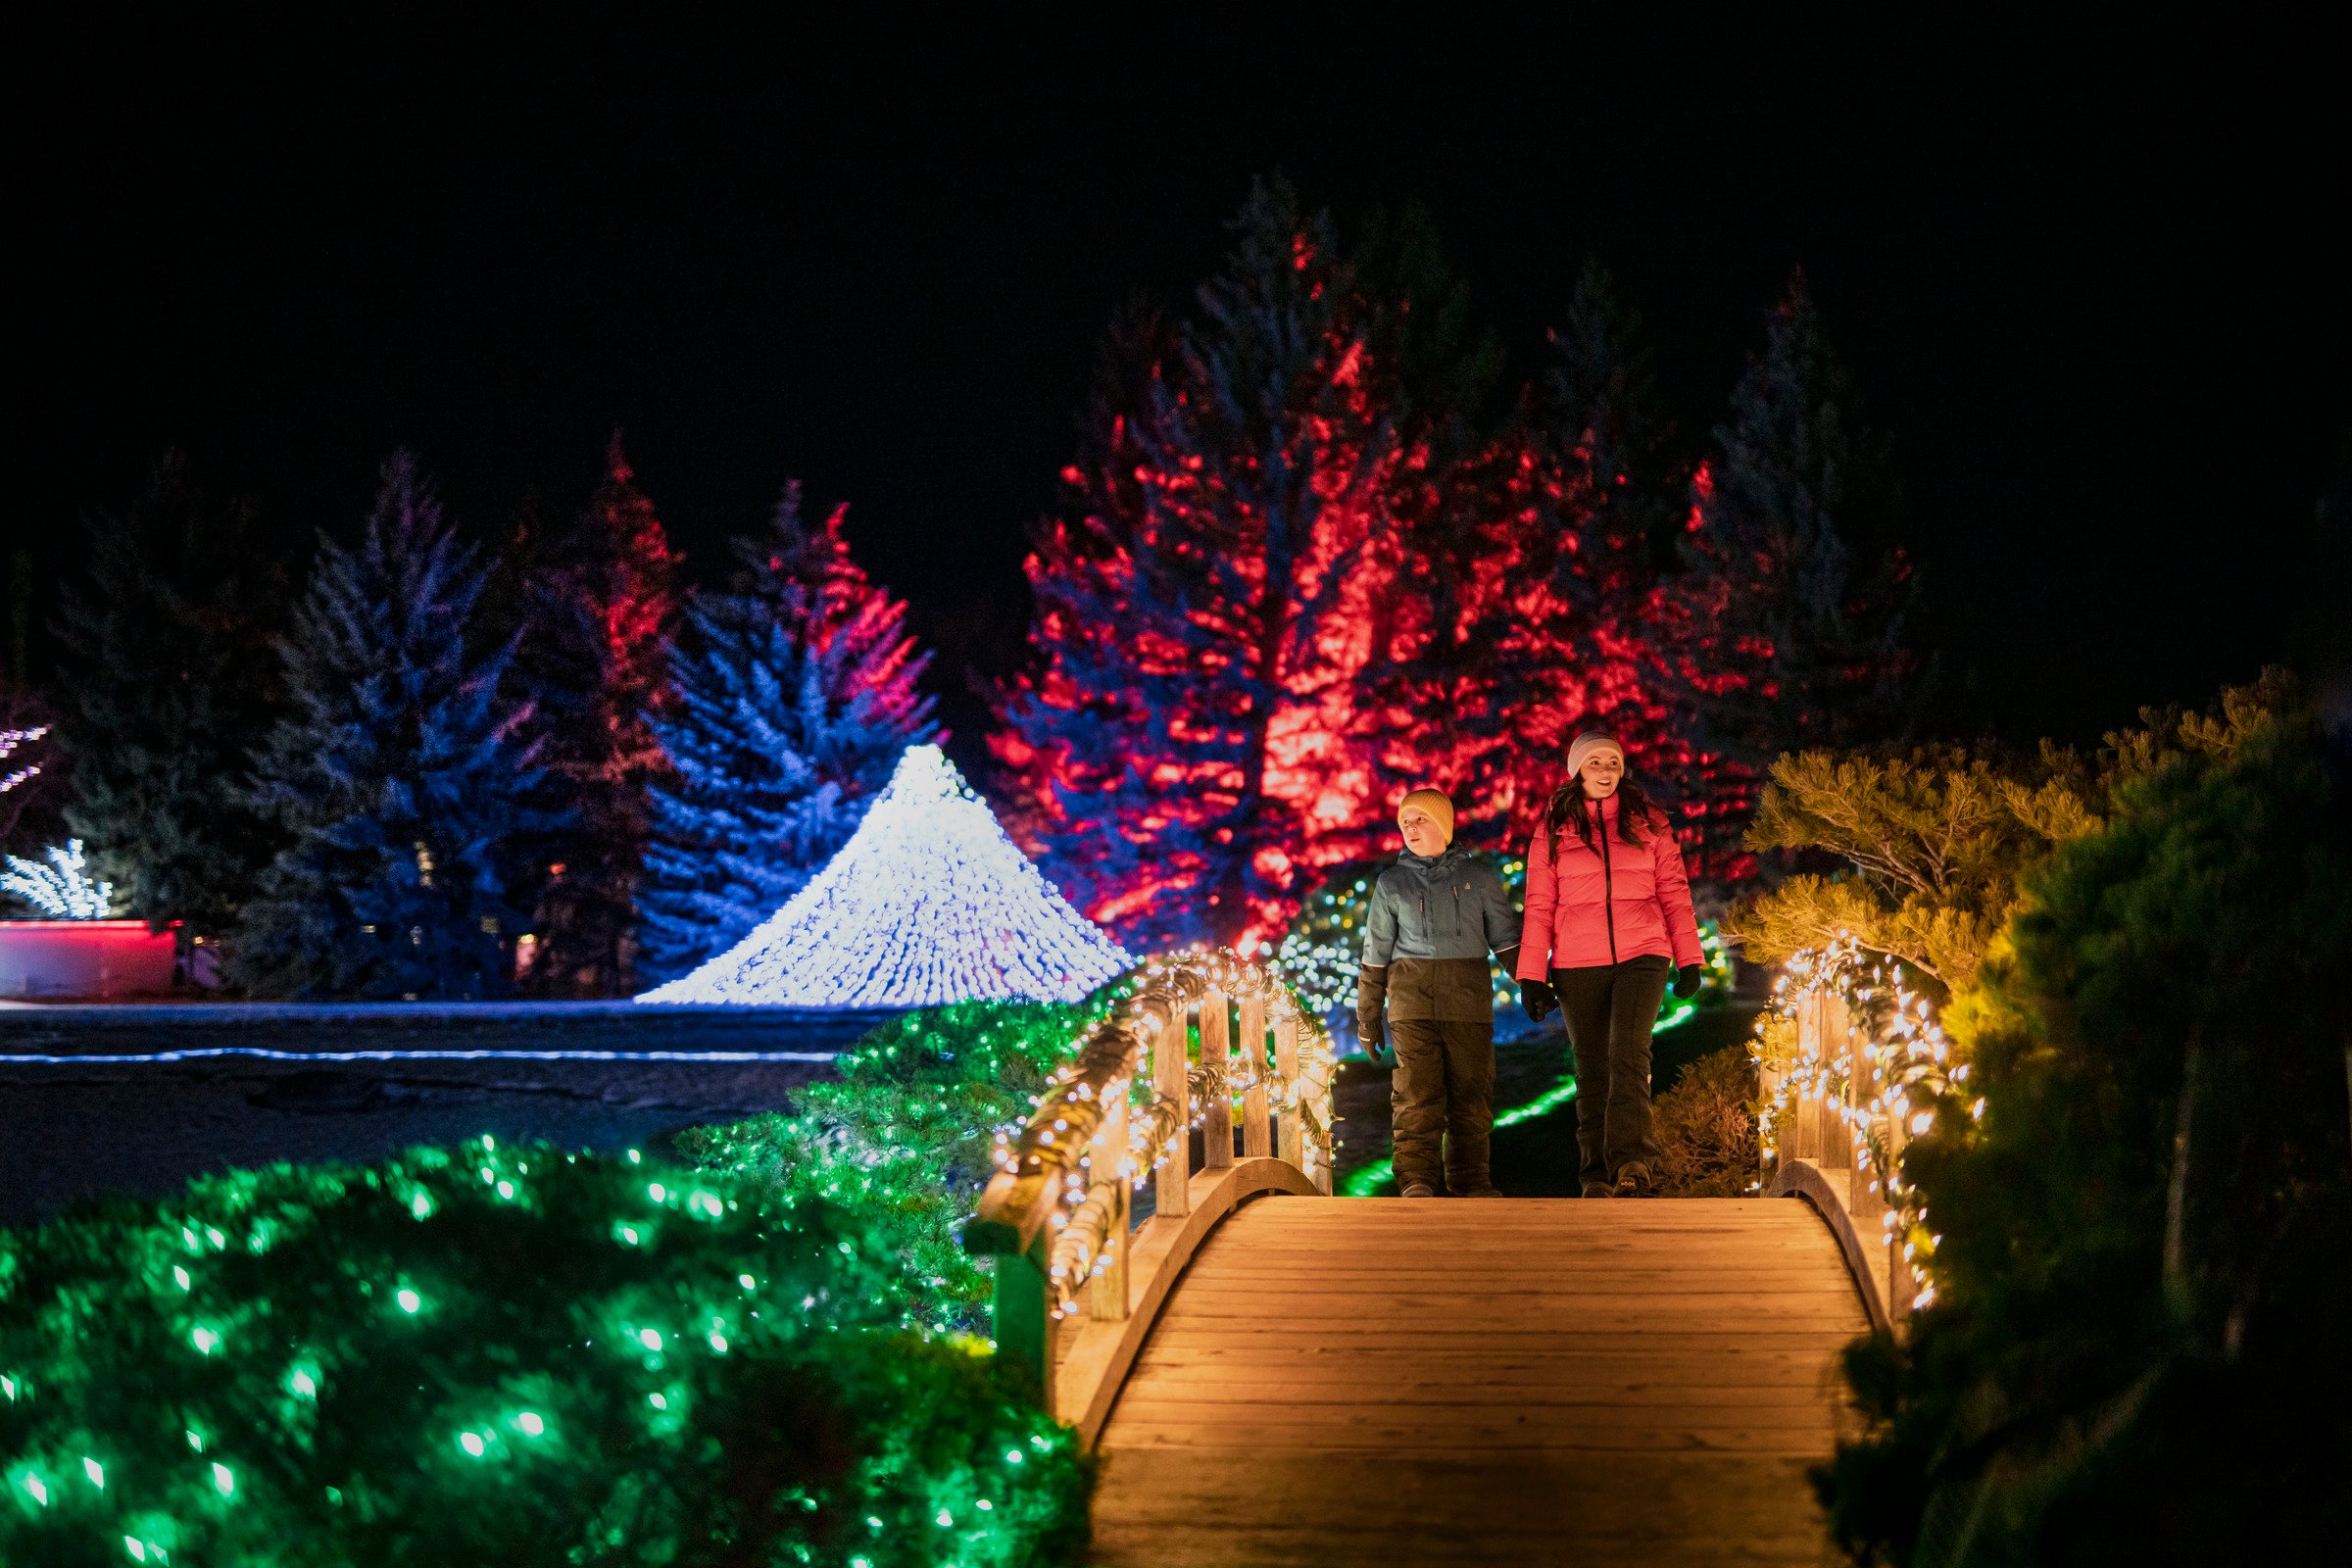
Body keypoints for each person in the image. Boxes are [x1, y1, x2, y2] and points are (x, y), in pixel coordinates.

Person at [1516, 733, 1704, 1198]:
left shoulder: (1650, 824)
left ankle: (1633, 1166)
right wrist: (1531, 976)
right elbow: (1539, 906)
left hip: (1643, 953)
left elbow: (1675, 895)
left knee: (1628, 1054)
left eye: (1613, 762)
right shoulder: (1553, 829)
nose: (1605, 771)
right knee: (1592, 1068)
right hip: (1578, 962)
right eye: (1595, 762)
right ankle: (1595, 1176)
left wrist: (1689, 958)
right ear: (1577, 770)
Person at [1355, 787, 1523, 1198]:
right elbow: (1375, 954)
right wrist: (1368, 1016)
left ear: (1444, 826)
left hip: (1468, 1003)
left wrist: (1533, 982)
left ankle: (1471, 1182)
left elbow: (1506, 940)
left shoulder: (1478, 878)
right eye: (1405, 822)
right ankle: (1416, 1181)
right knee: (1416, 1095)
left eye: (1420, 819)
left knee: (1471, 1094)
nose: (1411, 828)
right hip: (1412, 1004)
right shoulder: (1391, 883)